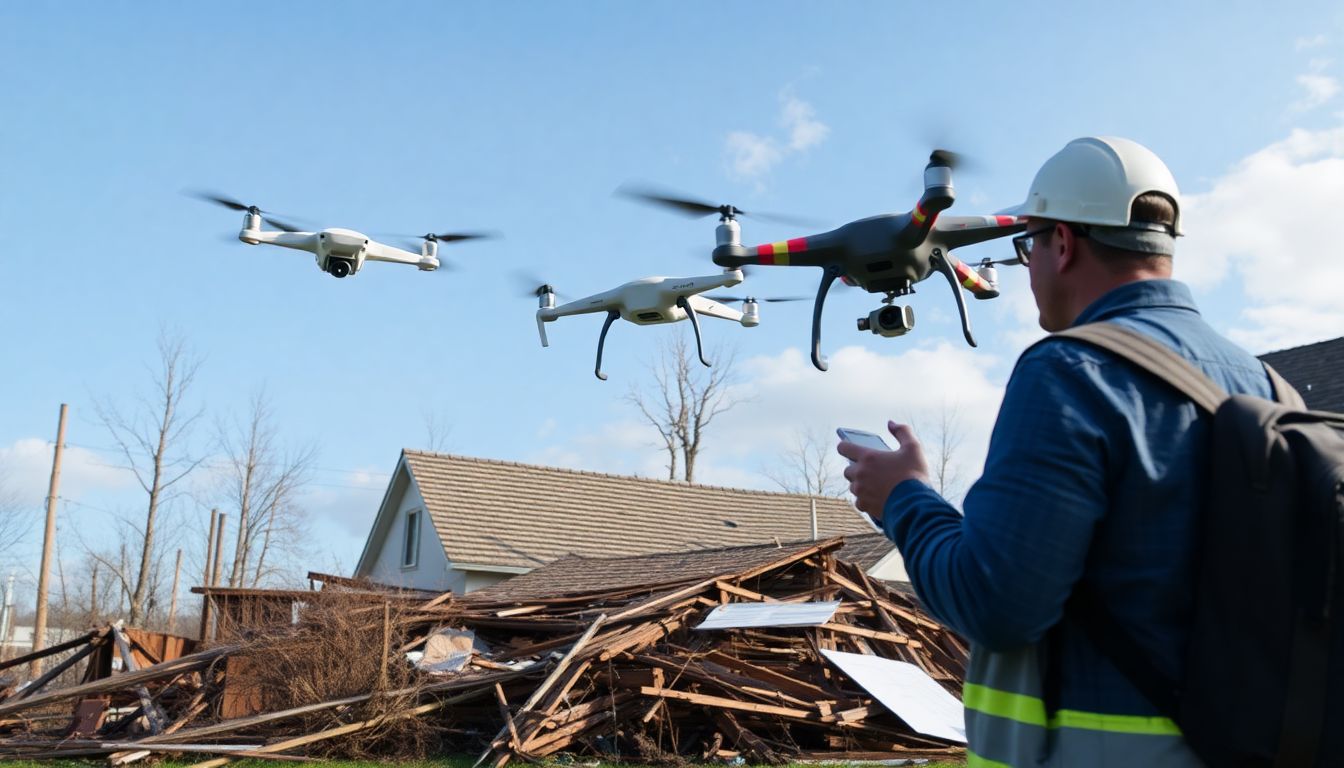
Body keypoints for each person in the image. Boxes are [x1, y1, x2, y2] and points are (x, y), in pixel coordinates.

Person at [839, 136, 1273, 767]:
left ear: (1062, 244)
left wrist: (903, 499)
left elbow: (993, 602)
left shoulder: (1070, 373)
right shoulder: (1261, 383)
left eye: (1028, 247)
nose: (1029, 270)